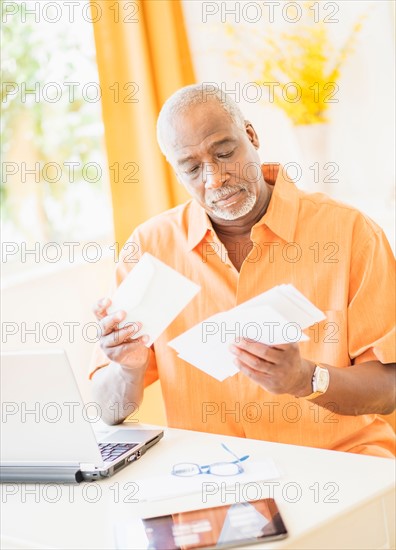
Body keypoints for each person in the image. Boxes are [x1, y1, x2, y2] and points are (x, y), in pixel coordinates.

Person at [90, 83, 395, 457]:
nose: (214, 178)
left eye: (224, 152)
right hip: (214, 476)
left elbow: (388, 388)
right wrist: (128, 370)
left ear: (251, 135)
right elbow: (108, 411)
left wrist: (305, 379)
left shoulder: (350, 234)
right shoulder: (150, 248)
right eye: (192, 168)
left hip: (340, 463)